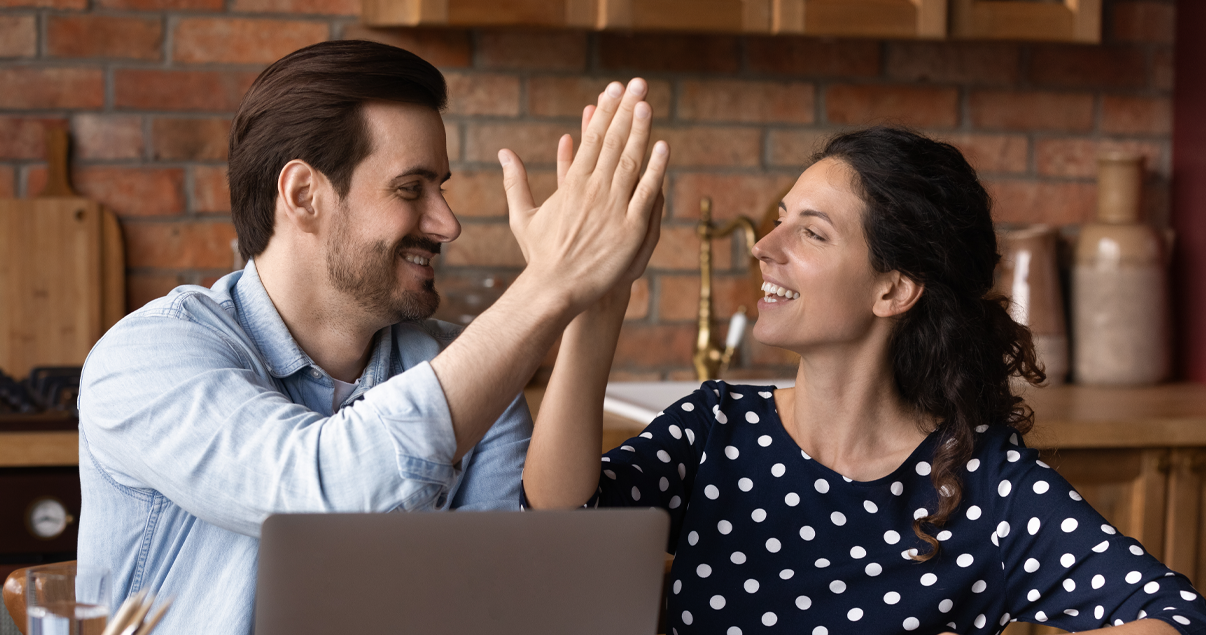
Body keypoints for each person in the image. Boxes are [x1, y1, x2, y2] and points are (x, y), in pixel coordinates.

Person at [76, 39, 669, 634]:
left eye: (442, 187)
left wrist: (596, 292)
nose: (447, 223)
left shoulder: (463, 366)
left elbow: (519, 593)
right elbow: (320, 493)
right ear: (304, 195)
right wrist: (548, 285)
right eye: (411, 189)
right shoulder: (146, 358)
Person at [522, 126, 1206, 635]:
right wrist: (594, 297)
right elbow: (561, 521)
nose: (765, 246)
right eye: (779, 219)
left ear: (893, 288)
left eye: (810, 234)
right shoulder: (717, 428)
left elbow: (1175, 615)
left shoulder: (983, 483)